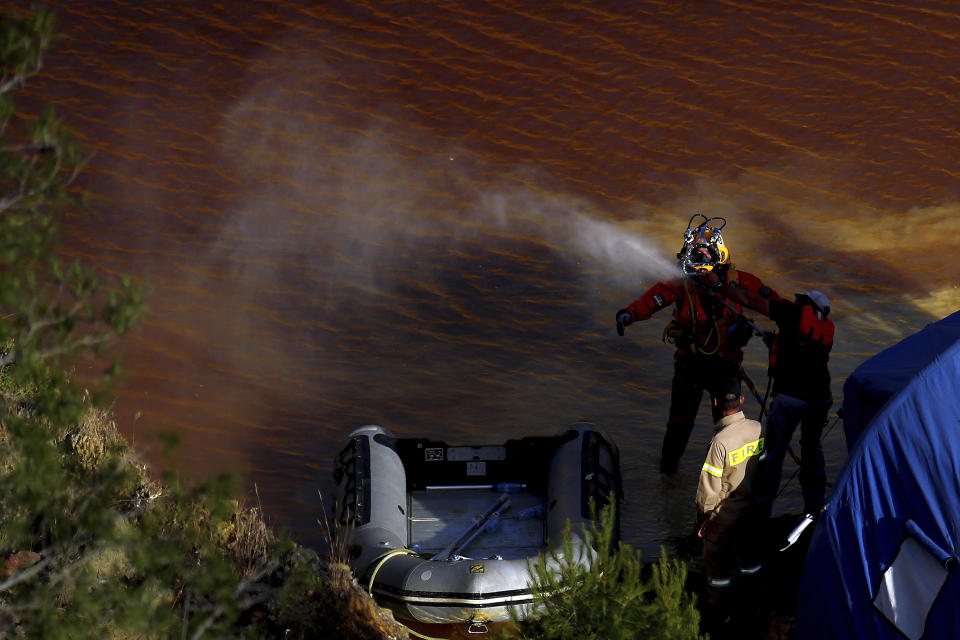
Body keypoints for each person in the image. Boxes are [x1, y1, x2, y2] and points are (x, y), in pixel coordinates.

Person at [615, 216, 779, 474]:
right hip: (689, 364)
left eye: (706, 252)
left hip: (726, 364)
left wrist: (791, 325)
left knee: (729, 423)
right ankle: (668, 476)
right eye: (696, 252)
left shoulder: (739, 281)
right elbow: (653, 299)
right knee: (679, 425)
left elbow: (774, 304)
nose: (701, 256)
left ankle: (729, 478)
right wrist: (629, 314)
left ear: (719, 254)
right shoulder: (681, 283)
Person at [709, 276, 835, 517]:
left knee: (772, 453)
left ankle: (760, 509)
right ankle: (814, 506)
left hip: (790, 398)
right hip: (820, 399)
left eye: (801, 300)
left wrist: (719, 287)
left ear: (806, 303)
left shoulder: (791, 312)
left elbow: (749, 300)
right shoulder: (827, 329)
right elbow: (803, 350)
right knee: (811, 449)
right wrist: (775, 342)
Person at [696, 377, 764, 620]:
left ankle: (718, 611)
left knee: (718, 570)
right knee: (750, 562)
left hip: (726, 517)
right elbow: (765, 470)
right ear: (742, 400)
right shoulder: (758, 429)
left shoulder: (719, 442)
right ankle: (752, 602)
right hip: (754, 511)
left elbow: (708, 491)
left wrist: (704, 521)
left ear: (715, 402)